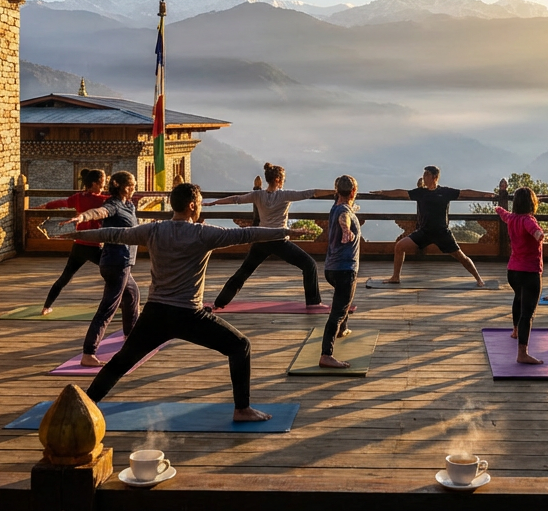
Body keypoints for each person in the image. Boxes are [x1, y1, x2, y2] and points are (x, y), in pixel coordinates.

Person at [58, 183, 313, 421]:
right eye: (199, 203)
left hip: (155, 314)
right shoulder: (204, 234)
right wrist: (286, 232)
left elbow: (114, 234)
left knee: (120, 362)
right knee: (240, 346)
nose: (200, 207)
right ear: (192, 205)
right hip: (189, 315)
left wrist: (74, 234)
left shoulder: (154, 230)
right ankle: (242, 409)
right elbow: (247, 234)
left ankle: (82, 407)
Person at [204, 163, 331, 309]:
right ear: (277, 179)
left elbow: (236, 199)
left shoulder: (258, 195)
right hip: (278, 240)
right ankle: (313, 303)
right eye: (283, 179)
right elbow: (312, 193)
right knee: (309, 265)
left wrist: (214, 203)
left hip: (261, 239)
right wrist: (336, 191)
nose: (284, 181)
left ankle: (218, 303)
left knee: (243, 272)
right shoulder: (284, 195)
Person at [64, 171, 141, 368]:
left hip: (123, 263)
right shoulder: (114, 204)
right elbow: (100, 212)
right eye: (131, 185)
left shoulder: (129, 205)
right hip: (116, 263)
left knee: (132, 295)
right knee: (108, 308)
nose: (134, 188)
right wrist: (83, 217)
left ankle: (131, 336)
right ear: (122, 187)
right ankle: (88, 353)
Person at [372, 166, 490, 287]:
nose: (424, 177)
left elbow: (465, 192)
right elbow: (401, 192)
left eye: (427, 174)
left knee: (461, 257)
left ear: (435, 177)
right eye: (424, 174)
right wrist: (383, 192)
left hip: (442, 232)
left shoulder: (445, 192)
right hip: (424, 232)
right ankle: (395, 277)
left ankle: (479, 279)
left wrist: (484, 194)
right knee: (399, 247)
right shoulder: (421, 193)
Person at [36, 168, 109, 315]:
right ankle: (120, 303)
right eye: (102, 182)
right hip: (94, 246)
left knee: (64, 277)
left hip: (79, 245)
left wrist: (46, 206)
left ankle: (46, 307)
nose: (104, 185)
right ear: (94, 183)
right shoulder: (103, 200)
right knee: (115, 275)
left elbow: (62, 202)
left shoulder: (78, 197)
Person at [496, 186, 545, 364]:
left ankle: (515, 331)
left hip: (513, 272)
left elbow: (503, 213)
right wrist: (540, 234)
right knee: (528, 314)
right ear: (532, 203)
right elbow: (535, 231)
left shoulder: (511, 218)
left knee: (518, 298)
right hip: (529, 272)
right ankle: (522, 354)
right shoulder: (527, 220)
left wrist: (498, 208)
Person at [319, 175, 362, 369]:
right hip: (345, 269)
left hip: (331, 269)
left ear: (337, 191)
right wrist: (346, 229)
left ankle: (343, 328)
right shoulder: (343, 211)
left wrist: (352, 211)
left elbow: (344, 212)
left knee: (343, 301)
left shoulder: (336, 207)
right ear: (353, 192)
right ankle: (326, 355)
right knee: (337, 312)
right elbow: (344, 218)